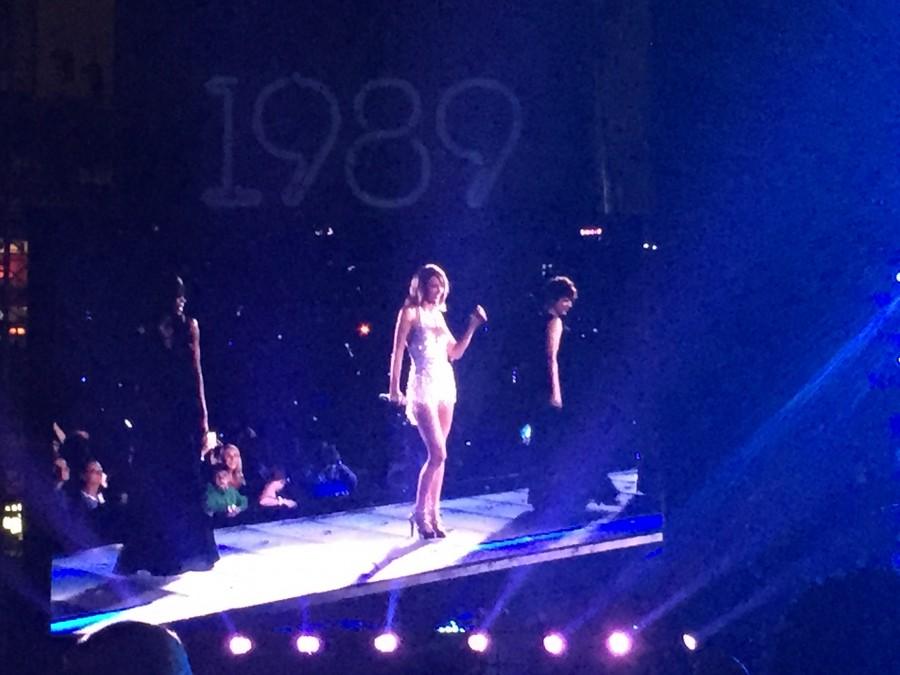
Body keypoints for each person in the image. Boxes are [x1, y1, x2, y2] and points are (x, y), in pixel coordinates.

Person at [115, 275, 219, 575]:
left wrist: (203, 420)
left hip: (180, 416)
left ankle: (188, 550)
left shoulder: (189, 326)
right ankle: (153, 554)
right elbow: (138, 378)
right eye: (177, 295)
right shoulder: (146, 329)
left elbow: (196, 374)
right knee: (154, 484)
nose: (182, 300)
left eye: (183, 295)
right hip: (152, 418)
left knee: (185, 482)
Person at [388, 264, 487, 539]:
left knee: (441, 456)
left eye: (440, 284)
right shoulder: (410, 313)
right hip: (422, 384)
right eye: (432, 284)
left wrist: (472, 326)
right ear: (421, 286)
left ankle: (434, 513)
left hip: (444, 382)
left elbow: (454, 353)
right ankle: (419, 513)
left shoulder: (438, 316)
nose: (438, 289)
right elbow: (397, 353)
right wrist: (394, 389)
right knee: (437, 453)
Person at [521, 276, 579, 514]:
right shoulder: (553, 322)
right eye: (566, 300)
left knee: (542, 442)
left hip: (534, 386)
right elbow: (551, 358)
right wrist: (556, 391)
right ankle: (550, 492)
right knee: (551, 441)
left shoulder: (536, 319)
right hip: (547, 387)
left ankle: (541, 492)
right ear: (556, 300)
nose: (569, 306)